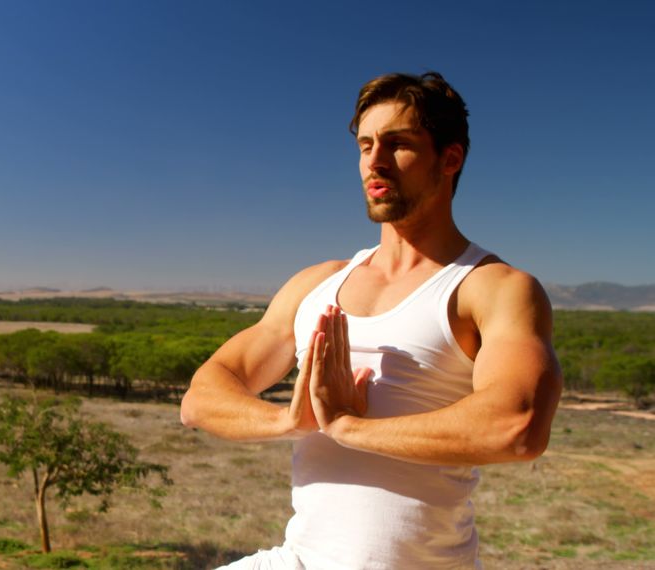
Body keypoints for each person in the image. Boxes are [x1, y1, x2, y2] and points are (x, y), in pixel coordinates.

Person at [179, 71, 562, 569]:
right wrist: (289, 421)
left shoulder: (491, 288)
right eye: (365, 145)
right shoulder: (316, 284)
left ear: (450, 158)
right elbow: (200, 398)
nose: (374, 161)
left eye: (398, 144)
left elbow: (518, 426)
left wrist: (347, 428)